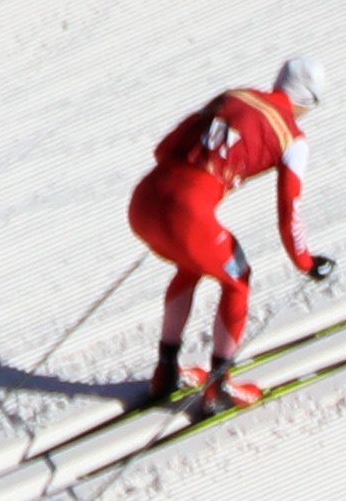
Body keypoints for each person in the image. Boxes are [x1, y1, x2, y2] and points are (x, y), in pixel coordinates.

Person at [129, 57, 331, 408]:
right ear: (308, 102)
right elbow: (289, 213)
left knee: (192, 265)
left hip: (143, 201)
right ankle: (219, 386)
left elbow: (163, 148)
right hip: (188, 216)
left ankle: (165, 371)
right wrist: (305, 261)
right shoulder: (293, 139)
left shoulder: (235, 96)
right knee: (238, 277)